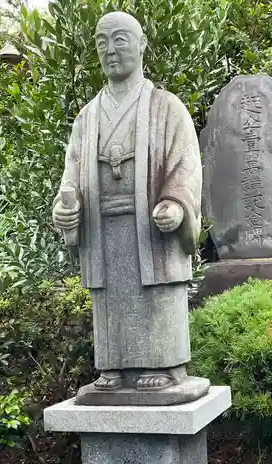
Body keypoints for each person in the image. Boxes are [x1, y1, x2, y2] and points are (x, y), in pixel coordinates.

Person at [52, 11, 202, 397]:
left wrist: (175, 203)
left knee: (152, 289)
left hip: (150, 228)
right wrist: (66, 206)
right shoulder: (87, 117)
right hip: (104, 229)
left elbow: (186, 162)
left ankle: (164, 366)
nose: (110, 50)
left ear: (141, 45)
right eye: (102, 42)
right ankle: (113, 368)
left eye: (119, 39)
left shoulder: (165, 107)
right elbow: (71, 172)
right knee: (112, 297)